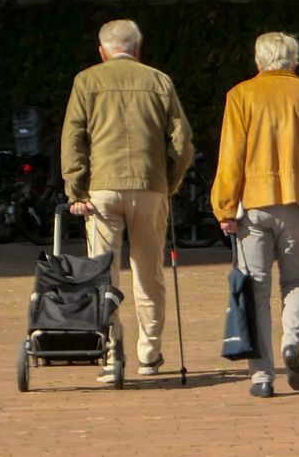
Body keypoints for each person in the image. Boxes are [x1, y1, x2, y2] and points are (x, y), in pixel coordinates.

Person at [210, 32, 299, 399]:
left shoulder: (240, 95)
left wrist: (224, 206)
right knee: (297, 281)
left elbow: (231, 156)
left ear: (258, 60)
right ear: (294, 60)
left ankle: (261, 376)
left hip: (253, 203)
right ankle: (292, 342)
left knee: (255, 289)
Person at [61, 19, 193, 381]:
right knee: (148, 273)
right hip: (150, 186)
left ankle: (109, 354)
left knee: (102, 274)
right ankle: (149, 353)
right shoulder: (158, 80)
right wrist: (171, 180)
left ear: (102, 51)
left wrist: (76, 189)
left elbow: (73, 138)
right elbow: (181, 141)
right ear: (137, 48)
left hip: (102, 188)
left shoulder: (86, 81)